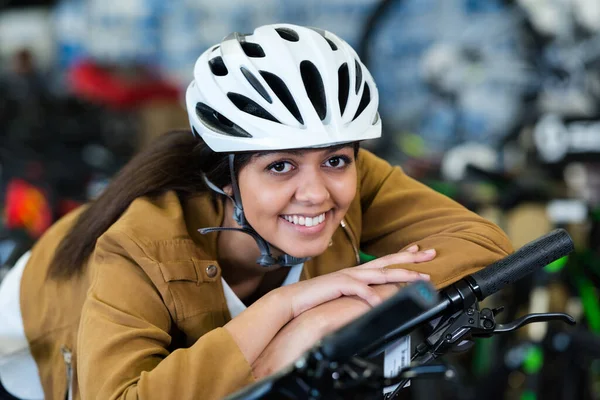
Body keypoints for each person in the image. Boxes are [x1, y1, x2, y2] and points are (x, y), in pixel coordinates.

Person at [0, 23, 513, 400]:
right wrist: (286, 316)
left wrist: (344, 307)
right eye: (280, 167)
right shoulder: (139, 245)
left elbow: (480, 241)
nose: (316, 193)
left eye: (336, 159)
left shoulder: (351, 178)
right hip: (28, 345)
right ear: (225, 176)